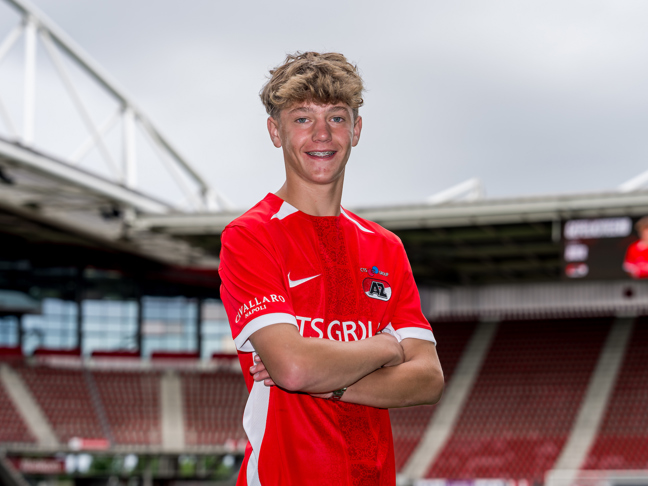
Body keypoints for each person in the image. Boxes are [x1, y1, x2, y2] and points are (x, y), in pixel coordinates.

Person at [219, 51, 444, 486]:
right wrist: (384, 349)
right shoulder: (251, 236)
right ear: (275, 131)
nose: (322, 134)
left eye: (337, 118)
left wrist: (332, 382)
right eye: (303, 118)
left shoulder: (386, 246)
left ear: (356, 130)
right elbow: (293, 368)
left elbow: (428, 379)